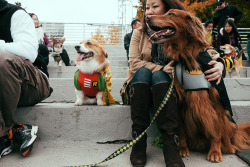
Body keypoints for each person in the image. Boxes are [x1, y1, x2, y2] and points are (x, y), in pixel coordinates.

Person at [120, 0, 226, 166]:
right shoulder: (139, 33)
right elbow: (133, 63)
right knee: (144, 71)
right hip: (140, 85)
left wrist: (221, 63)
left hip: (162, 87)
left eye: (155, 7)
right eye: (147, 8)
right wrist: (161, 68)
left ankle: (170, 143)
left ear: (166, 9)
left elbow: (201, 51)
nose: (149, 12)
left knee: (160, 78)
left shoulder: (175, 31)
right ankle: (139, 142)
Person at [0, 0, 52, 158]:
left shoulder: (15, 14)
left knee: (1, 60)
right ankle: (15, 131)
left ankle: (5, 131)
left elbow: (29, 52)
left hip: (31, 83)